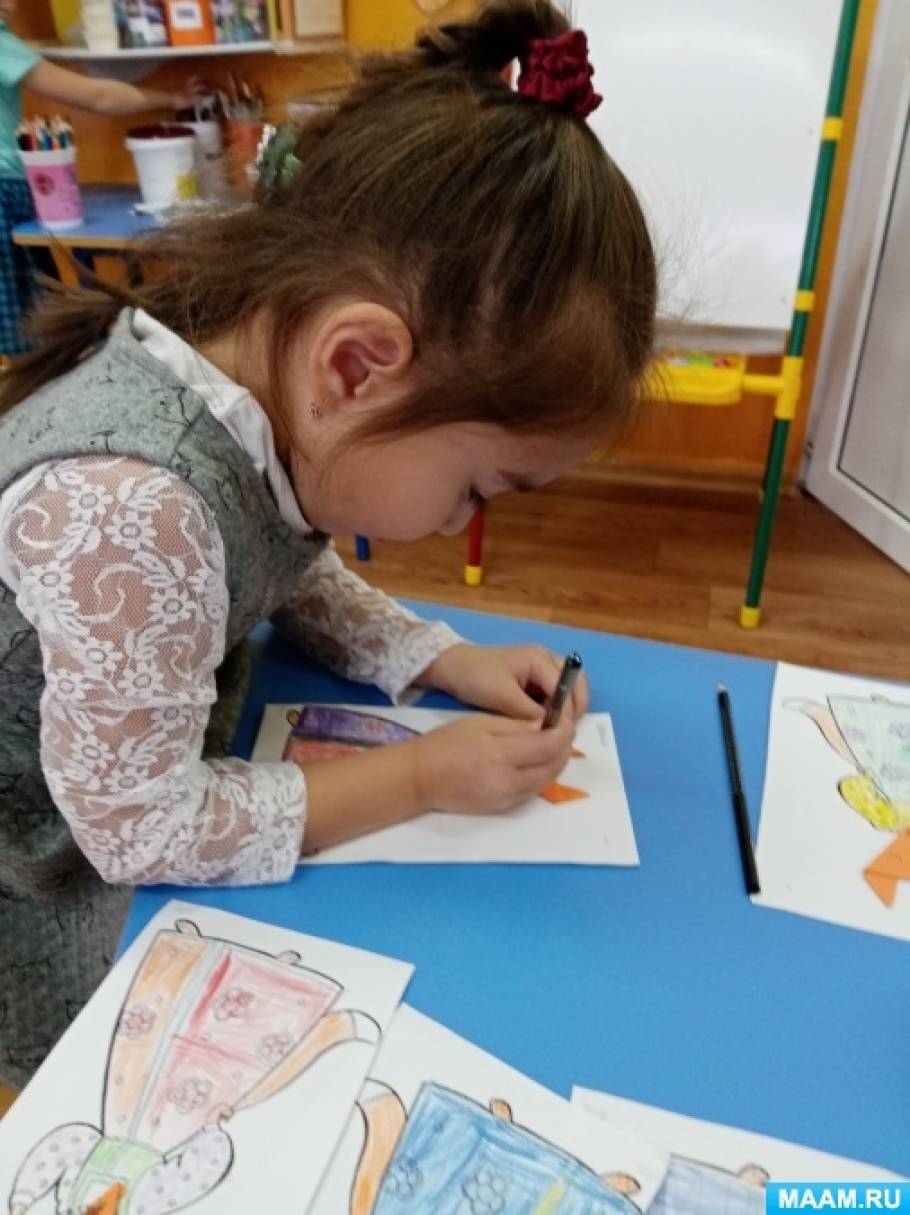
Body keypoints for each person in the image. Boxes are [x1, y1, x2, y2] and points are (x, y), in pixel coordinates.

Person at [0, 0, 656, 1088]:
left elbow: (279, 555)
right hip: (43, 857)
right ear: (357, 367)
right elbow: (139, 829)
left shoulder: (251, 385)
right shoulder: (133, 508)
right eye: (476, 487)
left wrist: (439, 656)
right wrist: (420, 776)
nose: (462, 522)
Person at [0, 0, 200, 354]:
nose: (12, 6)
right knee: (32, 333)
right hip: (6, 193)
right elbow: (100, 96)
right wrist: (171, 98)